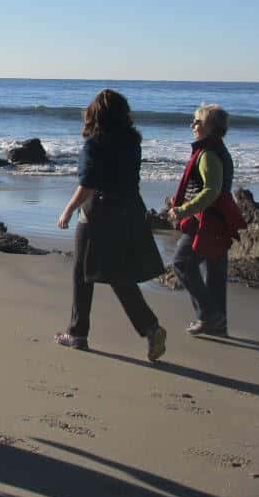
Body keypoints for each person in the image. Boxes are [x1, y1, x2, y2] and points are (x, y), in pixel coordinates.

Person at [56, 89, 167, 362]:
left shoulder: (95, 144)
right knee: (119, 275)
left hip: (98, 214)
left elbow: (88, 185)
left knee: (82, 273)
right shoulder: (132, 142)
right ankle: (150, 328)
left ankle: (77, 333)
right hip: (129, 210)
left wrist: (68, 210)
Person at [167, 103, 237, 337]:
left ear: (210, 127)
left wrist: (184, 210)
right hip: (219, 220)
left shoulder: (207, 153)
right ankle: (219, 323)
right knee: (215, 270)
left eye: (197, 121)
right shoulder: (216, 149)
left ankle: (209, 316)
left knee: (182, 262)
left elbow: (211, 190)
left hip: (207, 221)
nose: (192, 125)